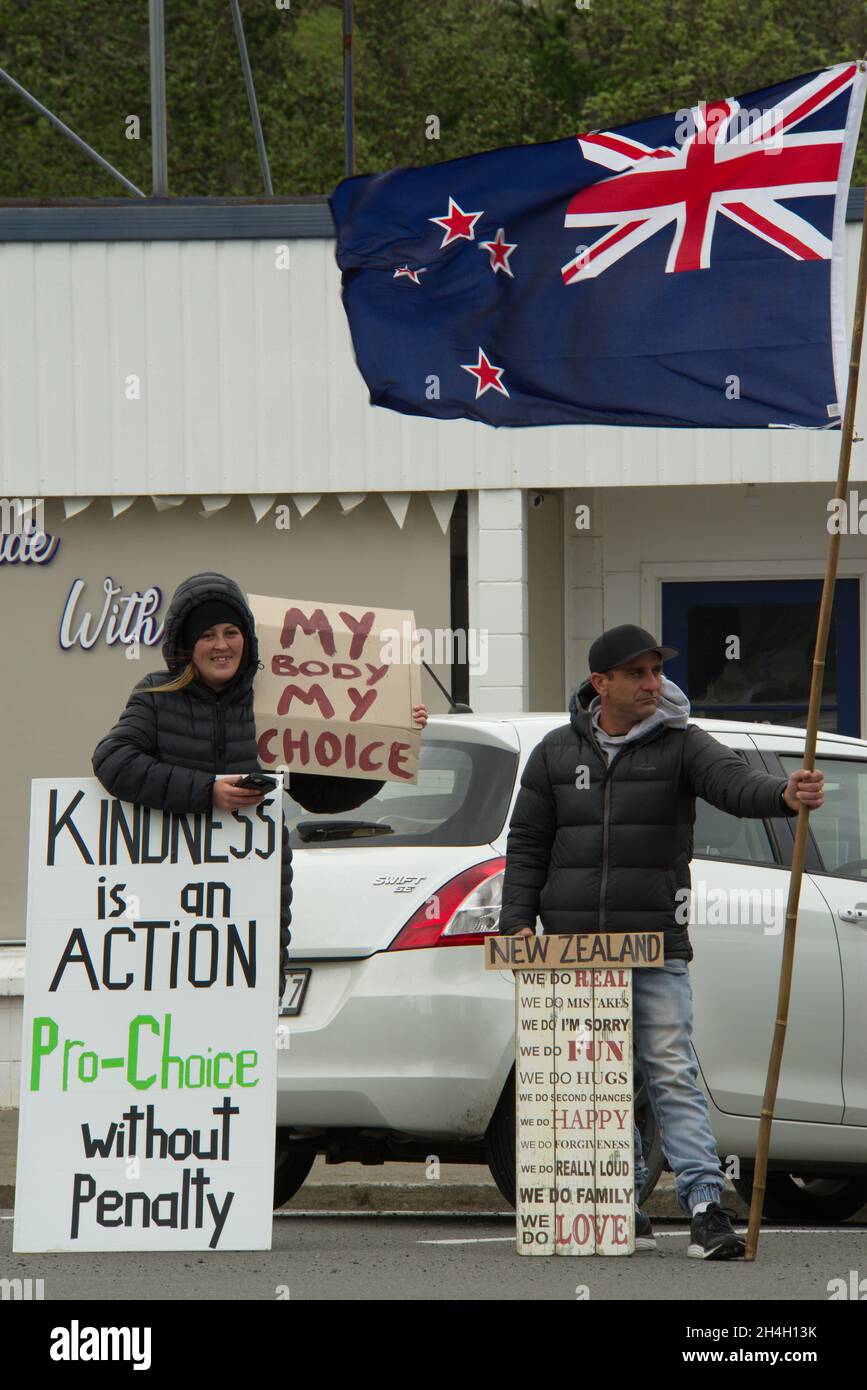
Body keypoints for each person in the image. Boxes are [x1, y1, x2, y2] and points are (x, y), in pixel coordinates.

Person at [498, 623, 824, 1260]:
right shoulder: (553, 753)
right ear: (602, 684)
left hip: (655, 945)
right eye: (638, 674)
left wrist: (785, 794)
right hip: (571, 952)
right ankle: (612, 1203)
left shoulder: (683, 744)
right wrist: (517, 925)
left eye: (656, 672)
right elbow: (528, 842)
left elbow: (735, 786)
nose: (655, 684)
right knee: (592, 1081)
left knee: (671, 1073)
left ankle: (704, 1208)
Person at [92, 571, 428, 1002]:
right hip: (170, 896)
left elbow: (322, 794)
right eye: (208, 635)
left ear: (247, 639)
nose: (221, 645)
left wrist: (390, 739)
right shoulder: (156, 696)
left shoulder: (277, 699)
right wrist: (206, 792)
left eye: (231, 632)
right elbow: (113, 761)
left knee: (245, 1026)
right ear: (186, 645)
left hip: (254, 900)